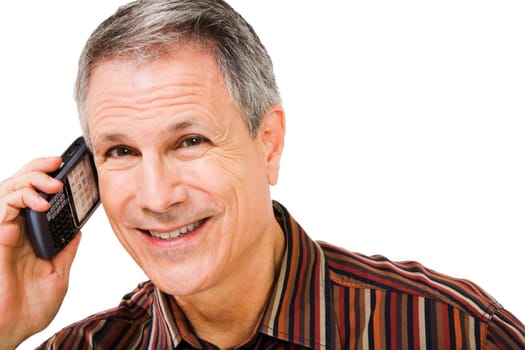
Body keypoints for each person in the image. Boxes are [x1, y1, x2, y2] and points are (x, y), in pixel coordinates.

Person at [0, 0, 523, 349]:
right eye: (121, 152)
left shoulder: (454, 332)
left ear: (268, 143)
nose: (157, 196)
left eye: (190, 141)